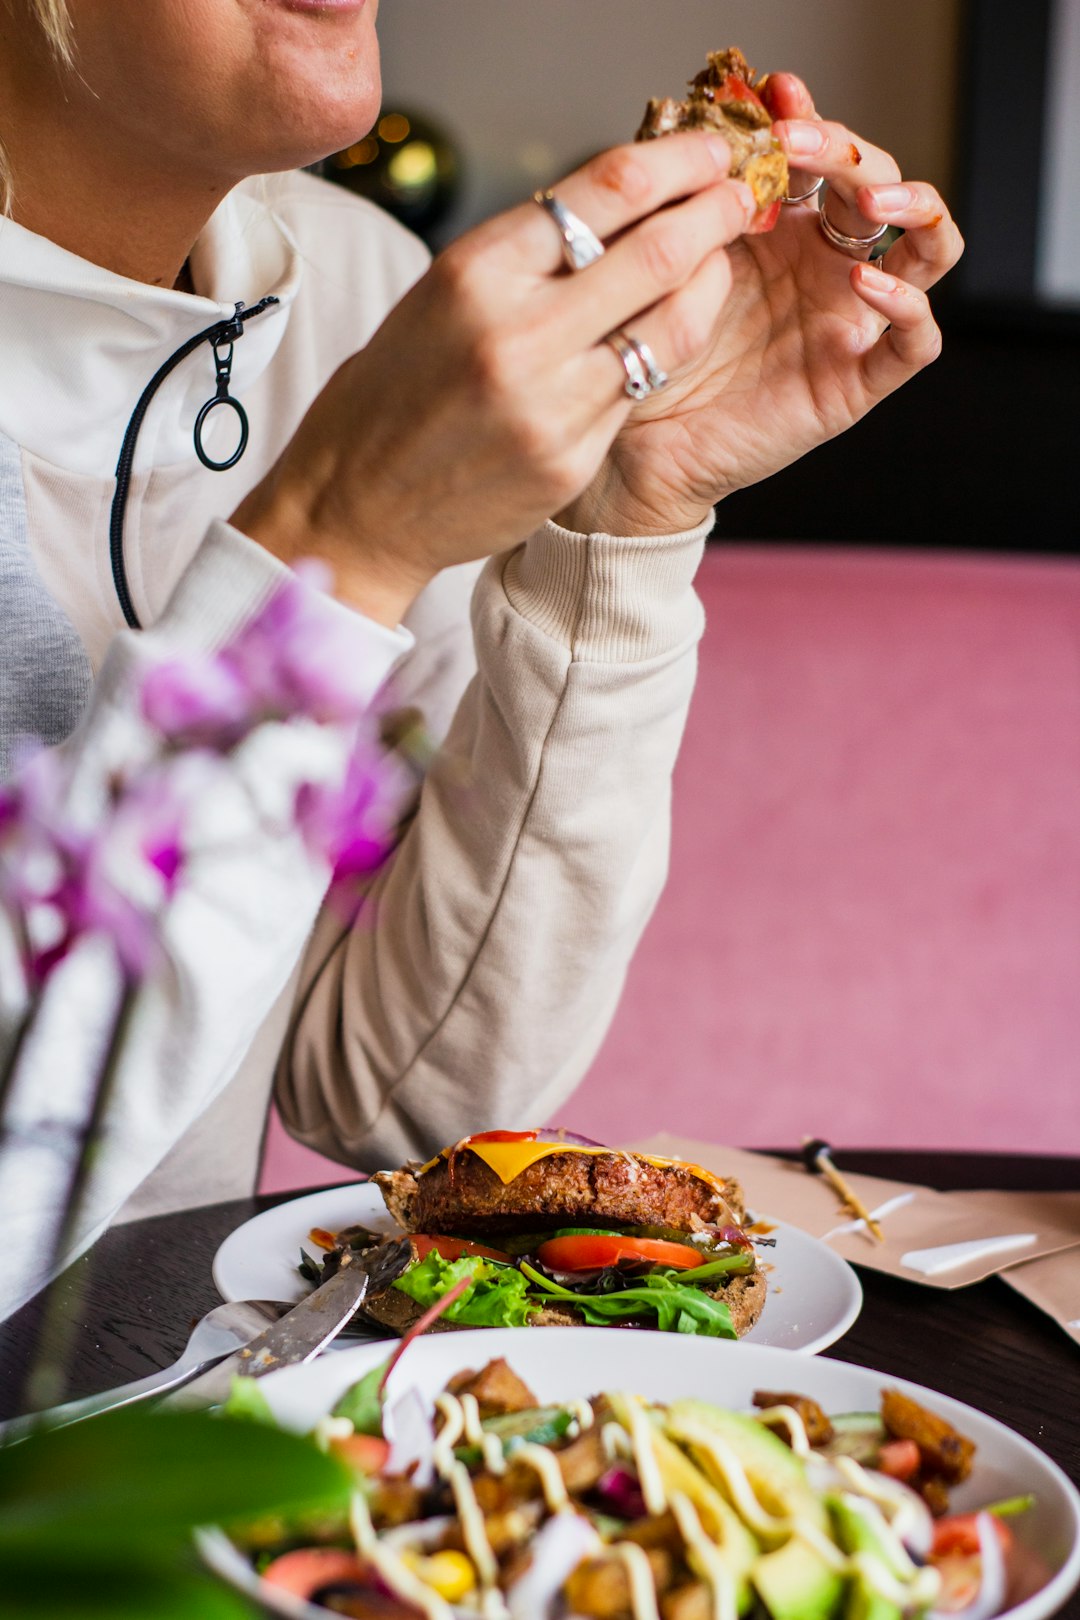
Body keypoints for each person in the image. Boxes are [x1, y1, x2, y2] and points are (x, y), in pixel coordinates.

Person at [0, 0, 962, 1319]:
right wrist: (335, 531)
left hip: (203, 1444)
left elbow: (403, 1088)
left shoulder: (362, 294)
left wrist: (630, 516)